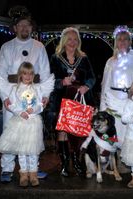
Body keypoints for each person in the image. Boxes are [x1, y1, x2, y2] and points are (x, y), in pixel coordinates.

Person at [0, 6, 51, 182]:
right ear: (15, 28)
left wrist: (45, 94)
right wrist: (6, 98)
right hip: (13, 95)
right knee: (11, 132)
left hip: (34, 95)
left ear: (32, 28)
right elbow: (0, 74)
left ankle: (33, 169)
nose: (25, 28)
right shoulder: (7, 47)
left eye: (28, 25)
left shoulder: (39, 46)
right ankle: (7, 168)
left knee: (32, 133)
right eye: (21, 25)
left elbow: (46, 73)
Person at [0, 62, 54, 187]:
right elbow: (11, 105)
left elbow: (41, 104)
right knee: (22, 150)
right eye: (25, 73)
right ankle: (24, 174)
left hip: (33, 122)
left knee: (33, 150)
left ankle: (33, 174)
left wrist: (35, 109)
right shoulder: (15, 89)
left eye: (31, 74)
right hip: (20, 122)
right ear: (20, 75)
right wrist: (20, 112)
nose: (28, 76)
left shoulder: (37, 88)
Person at [49, 27, 96, 177]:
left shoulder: (84, 58)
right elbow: (49, 80)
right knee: (63, 131)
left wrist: (86, 86)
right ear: (64, 41)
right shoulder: (55, 58)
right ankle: (64, 165)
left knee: (78, 131)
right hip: (62, 99)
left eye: (75, 39)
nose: (72, 42)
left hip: (80, 99)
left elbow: (92, 77)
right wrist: (62, 81)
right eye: (69, 39)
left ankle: (77, 162)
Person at [100, 25, 133, 149]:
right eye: (119, 39)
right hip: (114, 101)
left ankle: (130, 157)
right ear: (116, 43)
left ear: (130, 41)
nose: (122, 42)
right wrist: (103, 105)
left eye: (125, 39)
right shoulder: (110, 61)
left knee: (131, 130)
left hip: (132, 99)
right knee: (115, 130)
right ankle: (117, 156)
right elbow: (106, 84)